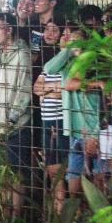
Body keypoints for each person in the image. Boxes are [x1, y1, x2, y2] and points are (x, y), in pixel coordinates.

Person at [0, 13, 32, 219]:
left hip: (16, 124)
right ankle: (3, 215)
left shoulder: (22, 54)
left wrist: (11, 118)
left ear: (9, 30)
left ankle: (15, 219)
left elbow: (24, 89)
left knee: (15, 173)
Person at [43, 27, 103, 202]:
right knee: (74, 180)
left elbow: (70, 84)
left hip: (92, 129)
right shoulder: (66, 64)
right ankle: (77, 220)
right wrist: (68, 50)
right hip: (73, 132)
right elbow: (49, 68)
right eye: (70, 40)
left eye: (77, 41)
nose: (73, 44)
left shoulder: (93, 62)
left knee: (99, 178)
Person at [33, 19, 69, 213]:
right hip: (47, 120)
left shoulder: (70, 61)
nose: (50, 33)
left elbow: (68, 91)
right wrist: (53, 89)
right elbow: (36, 89)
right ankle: (58, 218)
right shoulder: (48, 61)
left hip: (63, 121)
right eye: (46, 29)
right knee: (53, 171)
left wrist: (51, 89)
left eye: (57, 30)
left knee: (67, 172)